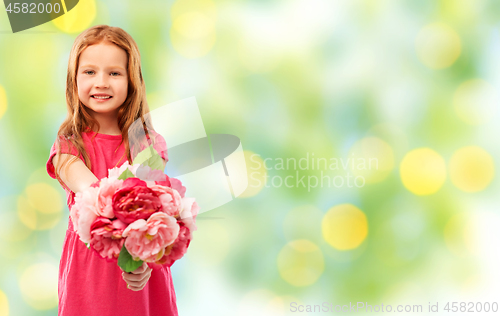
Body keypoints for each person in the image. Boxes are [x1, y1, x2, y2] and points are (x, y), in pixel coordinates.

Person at [46, 25, 179, 316]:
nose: (102, 82)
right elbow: (95, 195)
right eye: (90, 72)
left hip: (140, 267)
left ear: (132, 81)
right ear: (73, 79)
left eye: (114, 73)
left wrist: (143, 260)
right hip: (90, 276)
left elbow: (153, 207)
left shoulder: (147, 143)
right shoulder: (69, 146)